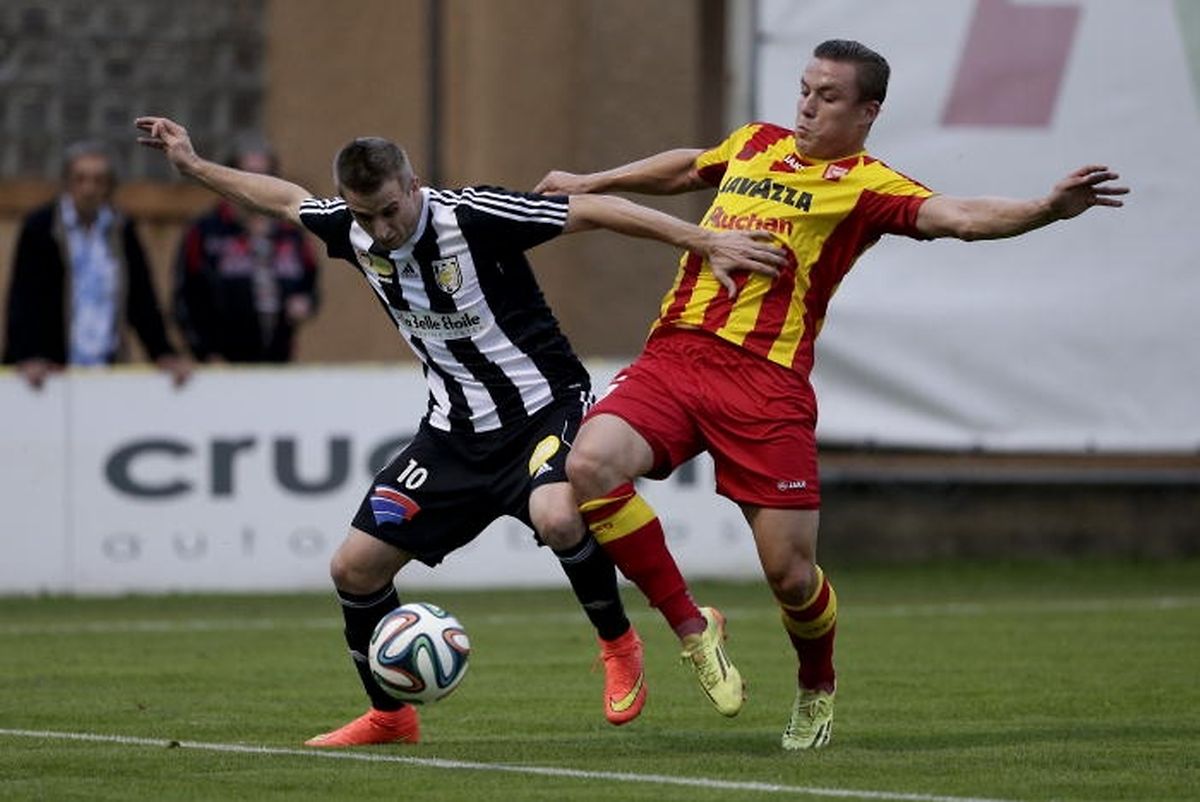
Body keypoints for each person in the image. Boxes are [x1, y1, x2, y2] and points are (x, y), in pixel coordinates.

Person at [534, 38, 1129, 751]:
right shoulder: (757, 144)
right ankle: (693, 629)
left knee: (791, 577)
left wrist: (1046, 208)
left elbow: (962, 217)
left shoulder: (869, 186)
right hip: (677, 355)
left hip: (766, 386)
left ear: (868, 112)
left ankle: (817, 685)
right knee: (591, 463)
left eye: (829, 97)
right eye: (805, 90)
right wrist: (591, 180)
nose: (808, 107)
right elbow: (690, 167)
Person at [135, 115, 785, 746]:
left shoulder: (474, 216)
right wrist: (194, 166)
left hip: (545, 408)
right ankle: (390, 717)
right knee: (353, 569)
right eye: (365, 215)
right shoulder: (351, 229)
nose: (381, 229)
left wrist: (703, 241)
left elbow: (594, 210)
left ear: (413, 185)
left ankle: (619, 644)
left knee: (558, 515)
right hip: (453, 434)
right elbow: (283, 199)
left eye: (390, 210)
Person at [3, 140, 190, 389]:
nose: (89, 189)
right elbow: (23, 298)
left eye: (98, 180)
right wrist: (27, 355)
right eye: (80, 179)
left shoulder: (121, 229)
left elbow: (141, 298)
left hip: (106, 364)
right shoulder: (41, 228)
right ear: (67, 182)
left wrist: (163, 352)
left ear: (110, 186)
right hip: (51, 369)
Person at [173, 136, 320, 363]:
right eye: (249, 176)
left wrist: (305, 303)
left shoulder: (291, 234)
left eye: (266, 176)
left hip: (278, 360)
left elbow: (310, 285)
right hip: (220, 362)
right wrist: (204, 352)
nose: (257, 185)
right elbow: (185, 299)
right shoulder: (206, 232)